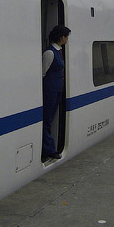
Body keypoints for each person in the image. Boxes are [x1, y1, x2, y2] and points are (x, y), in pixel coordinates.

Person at [42, 25, 71, 160]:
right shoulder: (50, 53)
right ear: (61, 37)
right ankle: (49, 149)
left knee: (50, 119)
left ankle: (48, 147)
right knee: (47, 120)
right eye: (66, 37)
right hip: (50, 91)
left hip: (57, 90)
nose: (67, 39)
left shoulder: (59, 51)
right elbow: (43, 72)